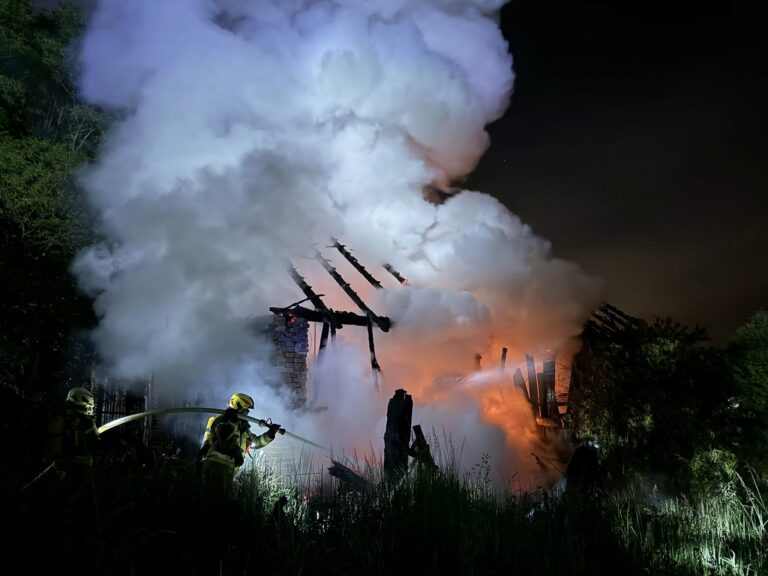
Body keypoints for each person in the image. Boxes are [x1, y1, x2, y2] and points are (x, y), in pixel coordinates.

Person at [198, 392, 282, 498]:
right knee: (212, 502)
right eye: (245, 411)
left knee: (222, 503)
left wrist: (270, 433)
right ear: (238, 407)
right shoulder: (220, 420)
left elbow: (258, 441)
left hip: (229, 469)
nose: (247, 414)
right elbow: (222, 440)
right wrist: (236, 452)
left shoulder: (243, 427)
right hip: (215, 465)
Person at [48, 387, 101, 476]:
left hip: (60, 468)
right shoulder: (86, 421)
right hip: (80, 469)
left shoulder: (62, 418)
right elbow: (95, 445)